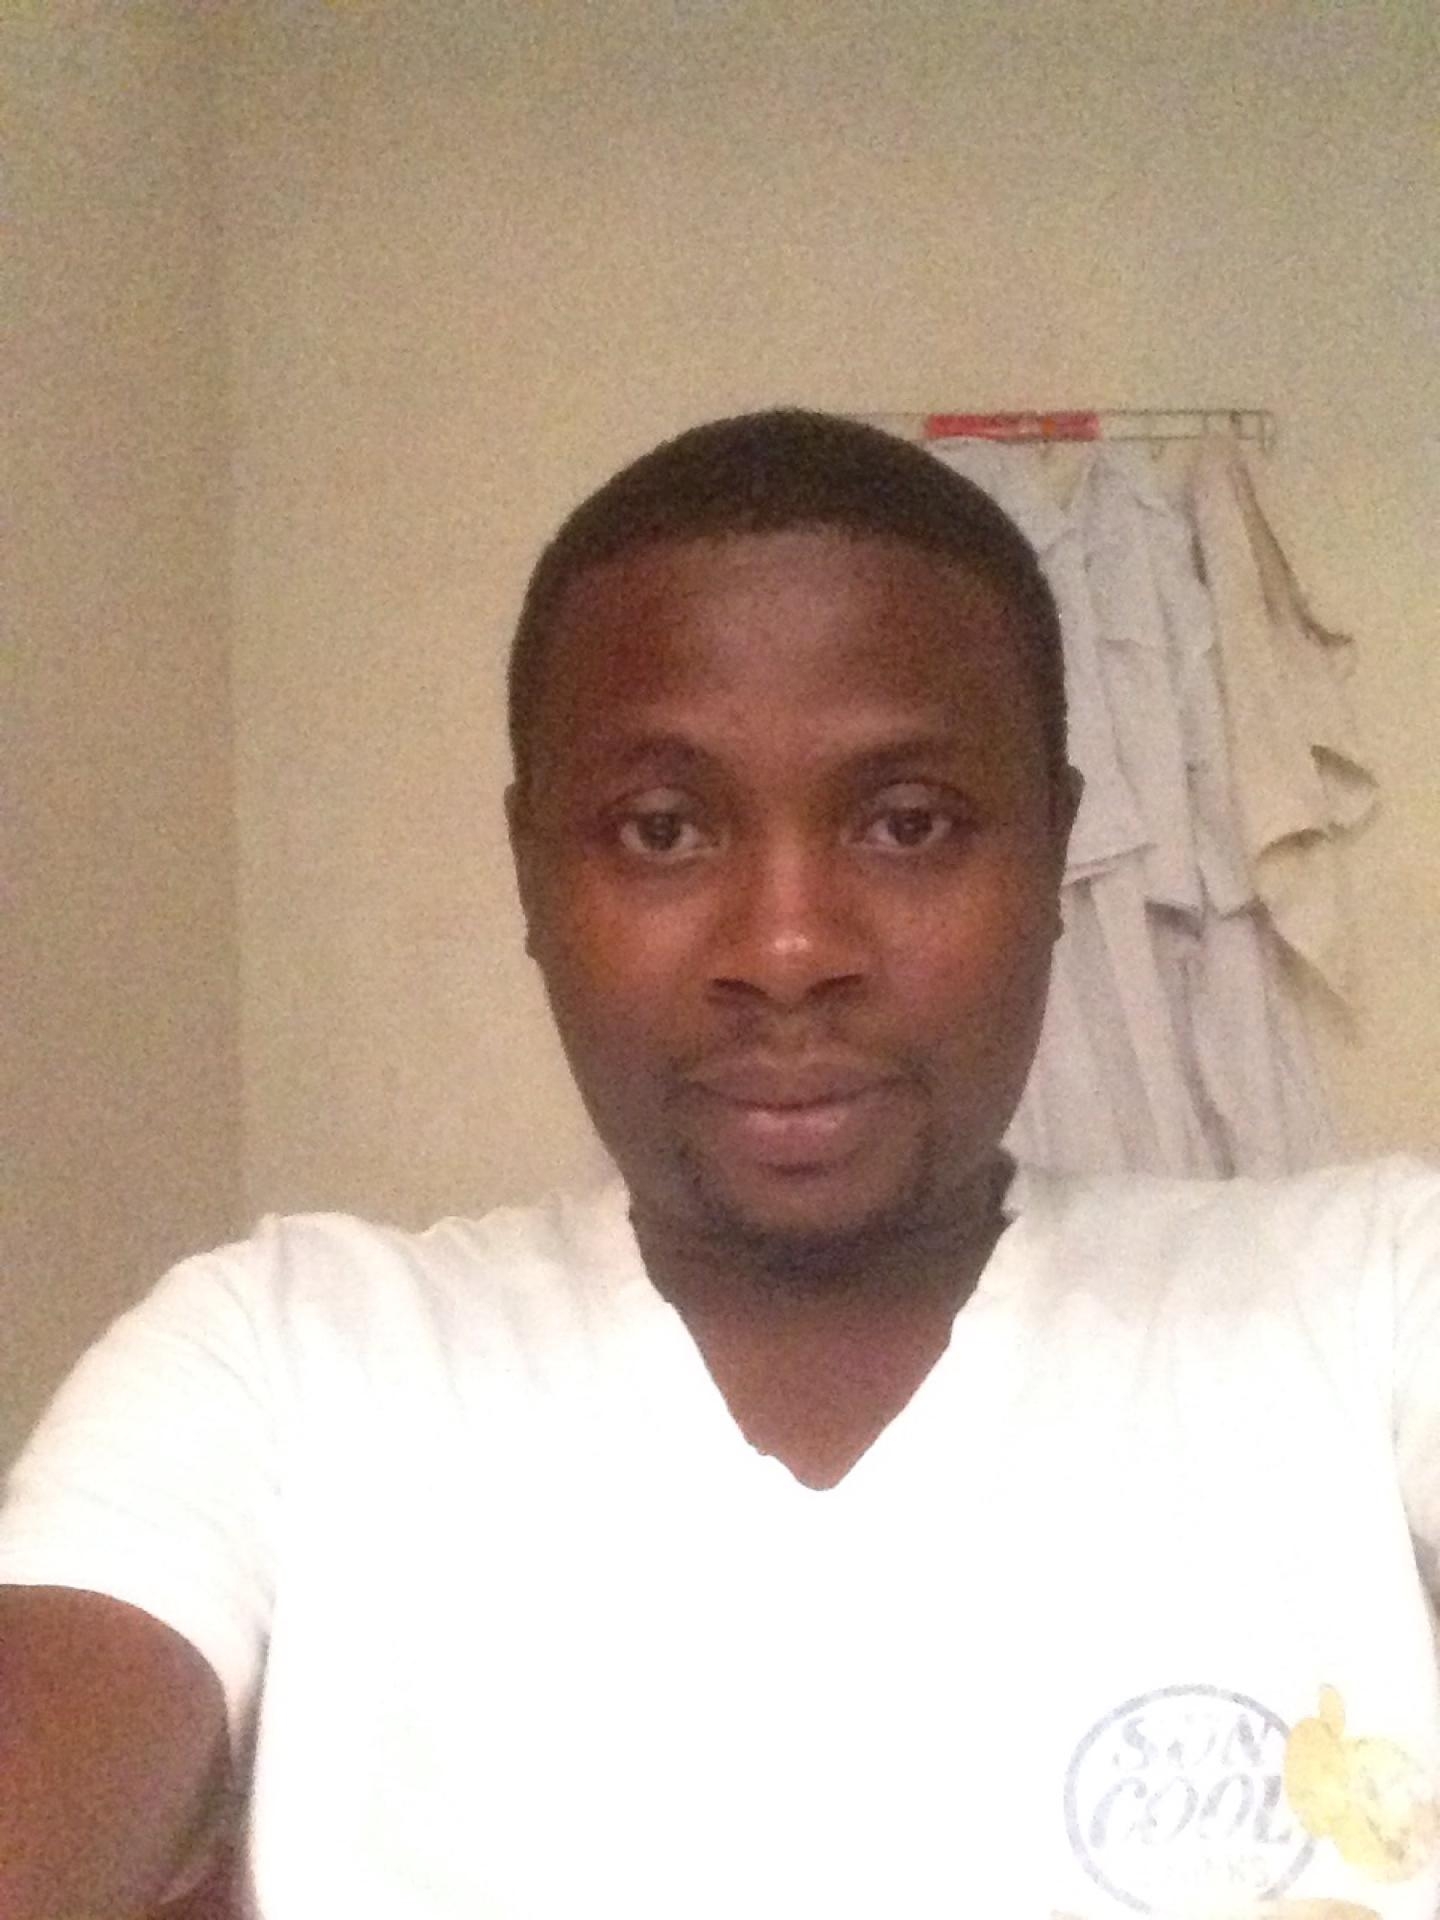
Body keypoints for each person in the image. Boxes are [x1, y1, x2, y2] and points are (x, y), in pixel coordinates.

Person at [2, 410, 1438, 1920]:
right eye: (663, 829)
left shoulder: (1368, 1301)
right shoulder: (285, 1360)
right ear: (533, 871)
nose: (789, 949)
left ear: (1052, 855)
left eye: (909, 823)